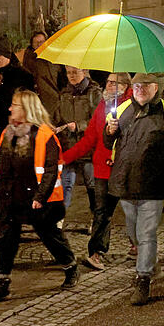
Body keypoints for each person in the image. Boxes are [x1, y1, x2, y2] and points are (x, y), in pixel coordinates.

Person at [0, 89, 78, 303]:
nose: (10, 108)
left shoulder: (45, 135)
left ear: (28, 109)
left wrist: (40, 197)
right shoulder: (8, 132)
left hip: (38, 198)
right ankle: (1, 284)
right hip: (11, 196)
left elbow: (51, 170)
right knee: (4, 240)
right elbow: (0, 166)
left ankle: (70, 267)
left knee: (50, 236)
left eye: (15, 105)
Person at [105, 73, 164, 305]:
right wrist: (109, 132)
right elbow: (109, 144)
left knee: (146, 234)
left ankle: (142, 279)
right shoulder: (122, 109)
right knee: (133, 233)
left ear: (156, 87)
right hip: (125, 184)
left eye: (145, 85)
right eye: (136, 85)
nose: (140, 89)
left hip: (153, 185)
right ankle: (149, 262)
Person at [60, 72, 130, 271]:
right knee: (102, 212)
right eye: (108, 82)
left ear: (125, 86)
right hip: (102, 168)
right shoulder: (102, 107)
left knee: (132, 210)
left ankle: (137, 245)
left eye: (114, 83)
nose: (109, 86)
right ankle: (96, 253)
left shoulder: (133, 108)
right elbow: (89, 138)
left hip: (123, 168)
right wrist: (64, 158)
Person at [53, 66, 102, 220]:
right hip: (69, 145)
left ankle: (97, 218)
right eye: (69, 73)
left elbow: (99, 119)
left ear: (84, 71)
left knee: (92, 185)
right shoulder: (64, 93)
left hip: (88, 148)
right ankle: (59, 219)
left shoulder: (94, 93)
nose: (71, 76)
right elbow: (58, 117)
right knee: (66, 183)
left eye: (75, 72)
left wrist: (79, 126)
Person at [21, 30, 63, 116]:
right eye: (36, 42)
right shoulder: (30, 59)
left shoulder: (54, 55)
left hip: (59, 98)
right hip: (43, 100)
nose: (40, 44)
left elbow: (61, 74)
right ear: (32, 45)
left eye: (42, 42)